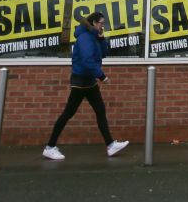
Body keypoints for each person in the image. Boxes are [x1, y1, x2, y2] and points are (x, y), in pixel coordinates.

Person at [43, 12, 129, 160]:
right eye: (101, 23)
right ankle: (50, 147)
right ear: (94, 22)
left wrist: (101, 39)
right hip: (80, 82)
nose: (103, 25)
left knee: (100, 110)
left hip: (89, 81)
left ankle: (110, 145)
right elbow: (87, 61)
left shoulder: (93, 36)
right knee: (68, 113)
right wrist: (102, 76)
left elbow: (103, 54)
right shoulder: (84, 38)